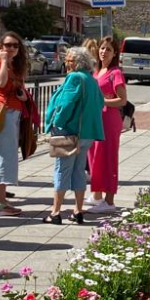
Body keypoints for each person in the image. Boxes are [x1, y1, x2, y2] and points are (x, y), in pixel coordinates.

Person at [43, 47, 105, 224]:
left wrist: (56, 122)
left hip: (70, 132)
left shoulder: (75, 77)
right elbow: (100, 102)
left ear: (78, 62)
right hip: (86, 133)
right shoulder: (91, 79)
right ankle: (78, 211)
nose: (66, 63)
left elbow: (65, 104)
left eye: (69, 60)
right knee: (79, 171)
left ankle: (55, 212)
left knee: (62, 171)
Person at [0, 32, 29, 217]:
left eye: (15, 46)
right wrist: (3, 61)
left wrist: (23, 96)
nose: (11, 48)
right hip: (4, 113)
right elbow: (1, 82)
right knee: (4, 157)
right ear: (0, 46)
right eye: (8, 45)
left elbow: (19, 89)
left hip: (12, 112)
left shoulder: (15, 65)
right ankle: (1, 205)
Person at [87, 37, 127, 213]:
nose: (104, 52)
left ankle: (109, 201)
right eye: (102, 48)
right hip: (95, 119)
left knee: (108, 159)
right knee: (95, 157)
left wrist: (101, 101)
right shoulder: (97, 71)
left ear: (115, 53)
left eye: (108, 49)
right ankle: (97, 195)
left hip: (109, 120)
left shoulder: (115, 73)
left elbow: (122, 100)